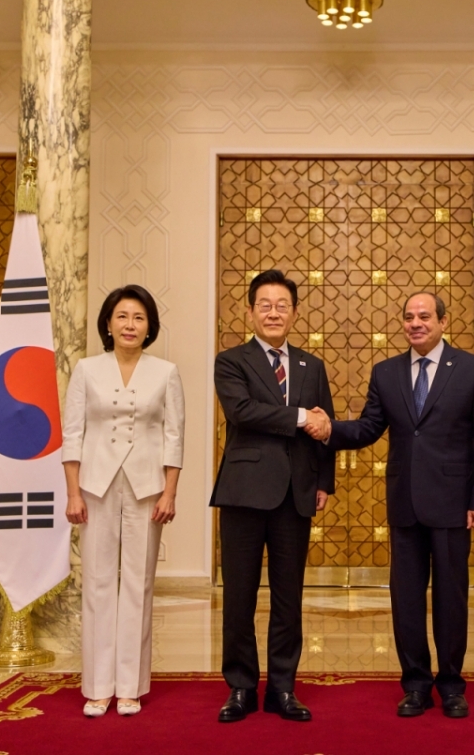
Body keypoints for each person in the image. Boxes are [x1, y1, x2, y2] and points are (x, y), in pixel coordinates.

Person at [304, 292, 474, 720]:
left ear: (443, 322)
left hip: (454, 503)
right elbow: (369, 428)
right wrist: (329, 429)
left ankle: (451, 686)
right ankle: (415, 685)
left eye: (424, 316)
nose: (416, 323)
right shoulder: (387, 372)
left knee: (451, 598)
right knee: (406, 599)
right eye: (409, 317)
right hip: (405, 503)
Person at [211, 269, 335, 723]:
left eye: (282, 305)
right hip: (244, 492)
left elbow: (325, 425)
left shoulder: (311, 365)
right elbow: (243, 412)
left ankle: (283, 687)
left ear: (294, 312)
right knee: (239, 596)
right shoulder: (231, 361)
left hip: (295, 493)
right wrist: (301, 416)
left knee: (288, 596)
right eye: (264, 305)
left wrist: (324, 481)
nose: (273, 313)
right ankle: (241, 687)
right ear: (250, 311)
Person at [62, 285, 184, 718]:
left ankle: (129, 687)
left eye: (139, 318)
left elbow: (174, 436)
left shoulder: (165, 372)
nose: (130, 325)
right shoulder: (86, 370)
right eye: (122, 316)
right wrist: (73, 491)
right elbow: (72, 433)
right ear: (108, 324)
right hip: (94, 486)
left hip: (147, 487)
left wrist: (169, 491)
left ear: (149, 327)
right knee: (97, 583)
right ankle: (98, 687)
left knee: (138, 583)